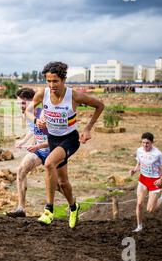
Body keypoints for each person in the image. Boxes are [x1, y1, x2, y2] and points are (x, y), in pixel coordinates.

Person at [25, 61, 104, 228]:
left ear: (63, 80)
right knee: (62, 182)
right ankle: (74, 207)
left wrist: (88, 128)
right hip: (53, 139)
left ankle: (48, 210)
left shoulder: (74, 96)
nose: (52, 85)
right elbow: (28, 110)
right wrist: (36, 120)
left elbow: (99, 105)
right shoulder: (42, 94)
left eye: (55, 81)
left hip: (70, 139)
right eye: (48, 81)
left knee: (48, 164)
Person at [6, 88, 63, 217]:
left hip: (54, 152)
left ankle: (73, 205)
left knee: (59, 185)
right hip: (40, 151)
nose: (20, 106)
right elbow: (33, 129)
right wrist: (24, 140)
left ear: (32, 101)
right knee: (21, 171)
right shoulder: (26, 114)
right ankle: (21, 208)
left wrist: (37, 146)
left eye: (22, 103)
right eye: (18, 103)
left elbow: (56, 139)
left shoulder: (45, 114)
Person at [129, 132, 162, 232]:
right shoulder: (139, 151)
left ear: (152, 143)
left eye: (147, 143)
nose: (145, 145)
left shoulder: (158, 154)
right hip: (143, 179)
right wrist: (134, 170)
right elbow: (139, 163)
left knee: (150, 210)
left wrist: (161, 178)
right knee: (139, 204)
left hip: (154, 181)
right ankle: (139, 226)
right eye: (143, 142)